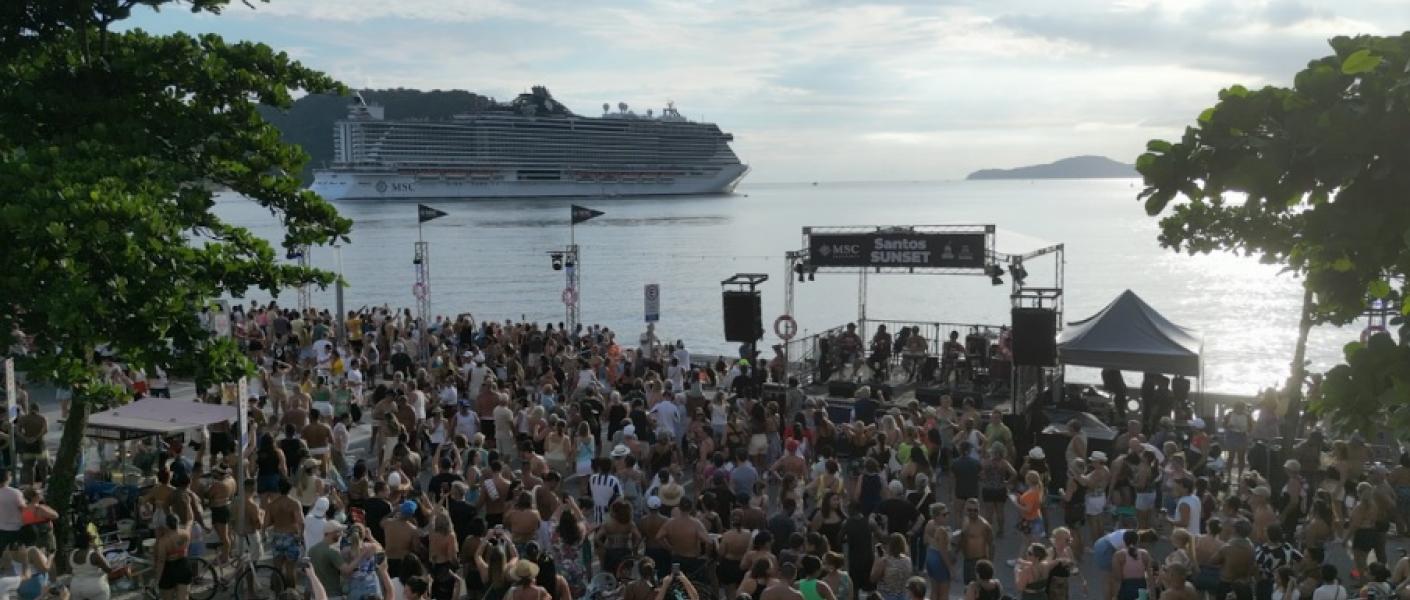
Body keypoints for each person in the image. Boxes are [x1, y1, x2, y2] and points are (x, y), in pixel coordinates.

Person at [152, 513, 193, 600]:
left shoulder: (163, 541)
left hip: (169, 569)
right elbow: (190, 521)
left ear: (166, 525)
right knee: (184, 597)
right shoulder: (186, 533)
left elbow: (161, 561)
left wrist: (157, 580)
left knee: (168, 598)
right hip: (183, 565)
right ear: (178, 522)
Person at [1110, 529, 1153, 600]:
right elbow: (1150, 577)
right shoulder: (1144, 554)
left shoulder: (1118, 555)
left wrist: (1115, 595)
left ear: (1124, 541)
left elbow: (1117, 579)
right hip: (1141, 588)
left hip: (1125, 589)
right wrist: (1152, 595)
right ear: (1138, 540)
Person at [924, 503, 954, 600]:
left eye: (947, 513)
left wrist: (933, 540)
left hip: (930, 556)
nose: (947, 516)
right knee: (944, 592)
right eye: (944, 514)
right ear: (936, 516)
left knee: (934, 589)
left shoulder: (930, 523)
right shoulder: (942, 530)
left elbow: (925, 540)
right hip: (939, 559)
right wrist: (950, 569)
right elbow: (943, 551)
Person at [870, 533, 912, 600]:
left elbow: (873, 578)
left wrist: (877, 560)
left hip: (885, 596)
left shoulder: (884, 561)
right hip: (903, 596)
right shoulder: (908, 560)